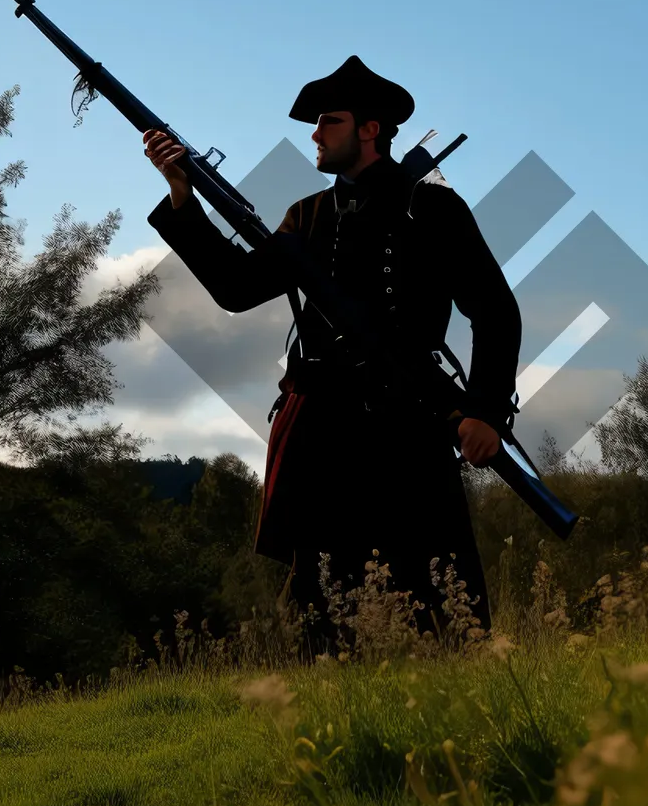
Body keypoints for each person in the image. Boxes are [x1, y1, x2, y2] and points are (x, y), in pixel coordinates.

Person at [143, 55, 522, 653]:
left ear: (370, 129)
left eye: (329, 121)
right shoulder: (308, 216)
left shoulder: (434, 209)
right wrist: (181, 194)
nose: (315, 135)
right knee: (319, 612)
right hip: (323, 434)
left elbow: (496, 313)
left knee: (443, 606)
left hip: (411, 426)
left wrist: (485, 411)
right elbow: (237, 289)